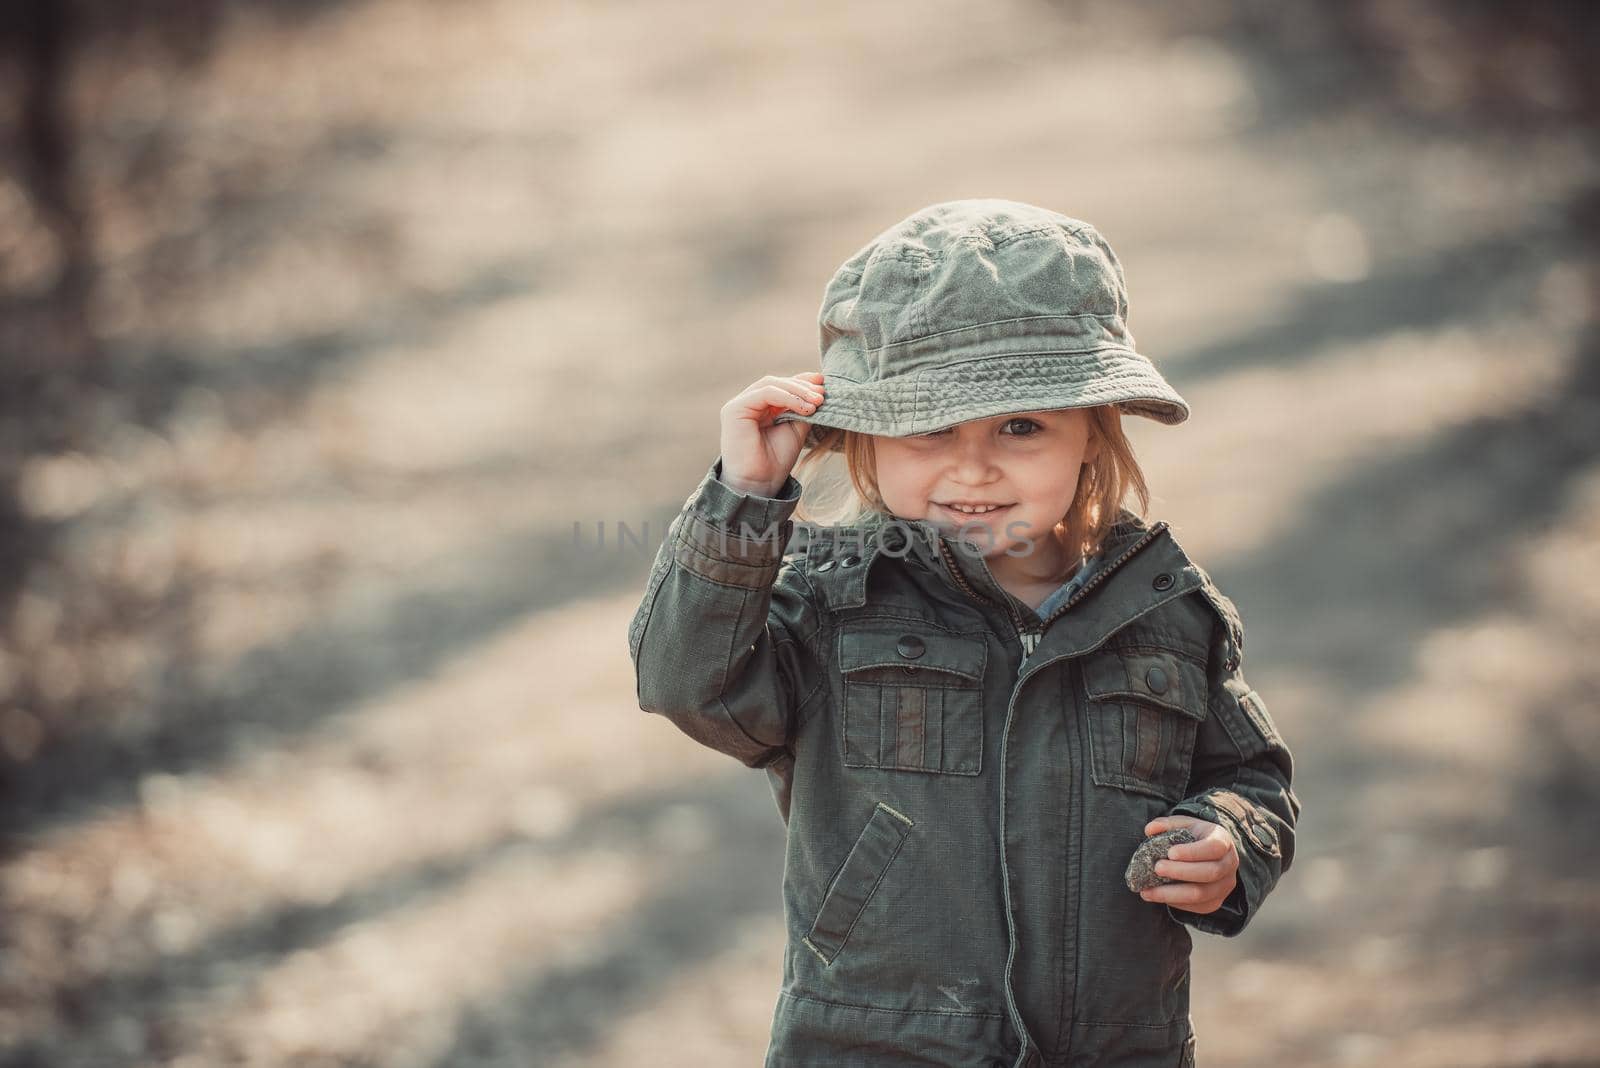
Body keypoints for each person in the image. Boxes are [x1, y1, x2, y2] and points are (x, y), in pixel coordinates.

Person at [627, 199, 1299, 1068]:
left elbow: (1251, 775)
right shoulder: (835, 603)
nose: (973, 466)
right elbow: (687, 684)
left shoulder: (1165, 610)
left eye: (1022, 427)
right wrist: (742, 502)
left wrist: (1228, 838)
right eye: (929, 428)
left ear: (1093, 435)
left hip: (1117, 1047)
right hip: (874, 1040)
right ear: (867, 439)